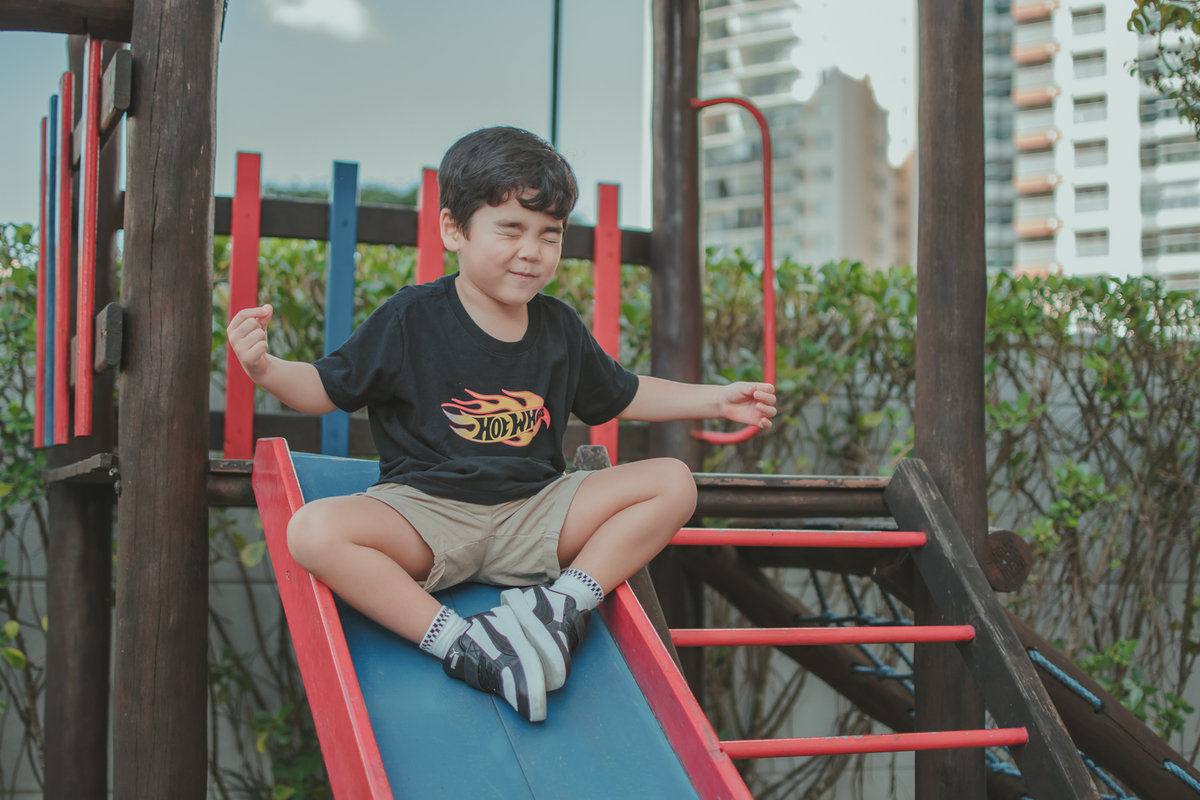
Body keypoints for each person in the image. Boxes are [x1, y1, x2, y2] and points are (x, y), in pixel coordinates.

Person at [227, 126, 776, 723]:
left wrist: (716, 401)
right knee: (312, 531)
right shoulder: (412, 317)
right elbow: (324, 388)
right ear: (454, 230)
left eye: (550, 235)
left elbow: (622, 393)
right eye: (510, 229)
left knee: (673, 481)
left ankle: (562, 606)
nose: (532, 250)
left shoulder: (559, 327)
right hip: (429, 514)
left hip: (535, 513)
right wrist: (265, 366)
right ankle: (463, 646)